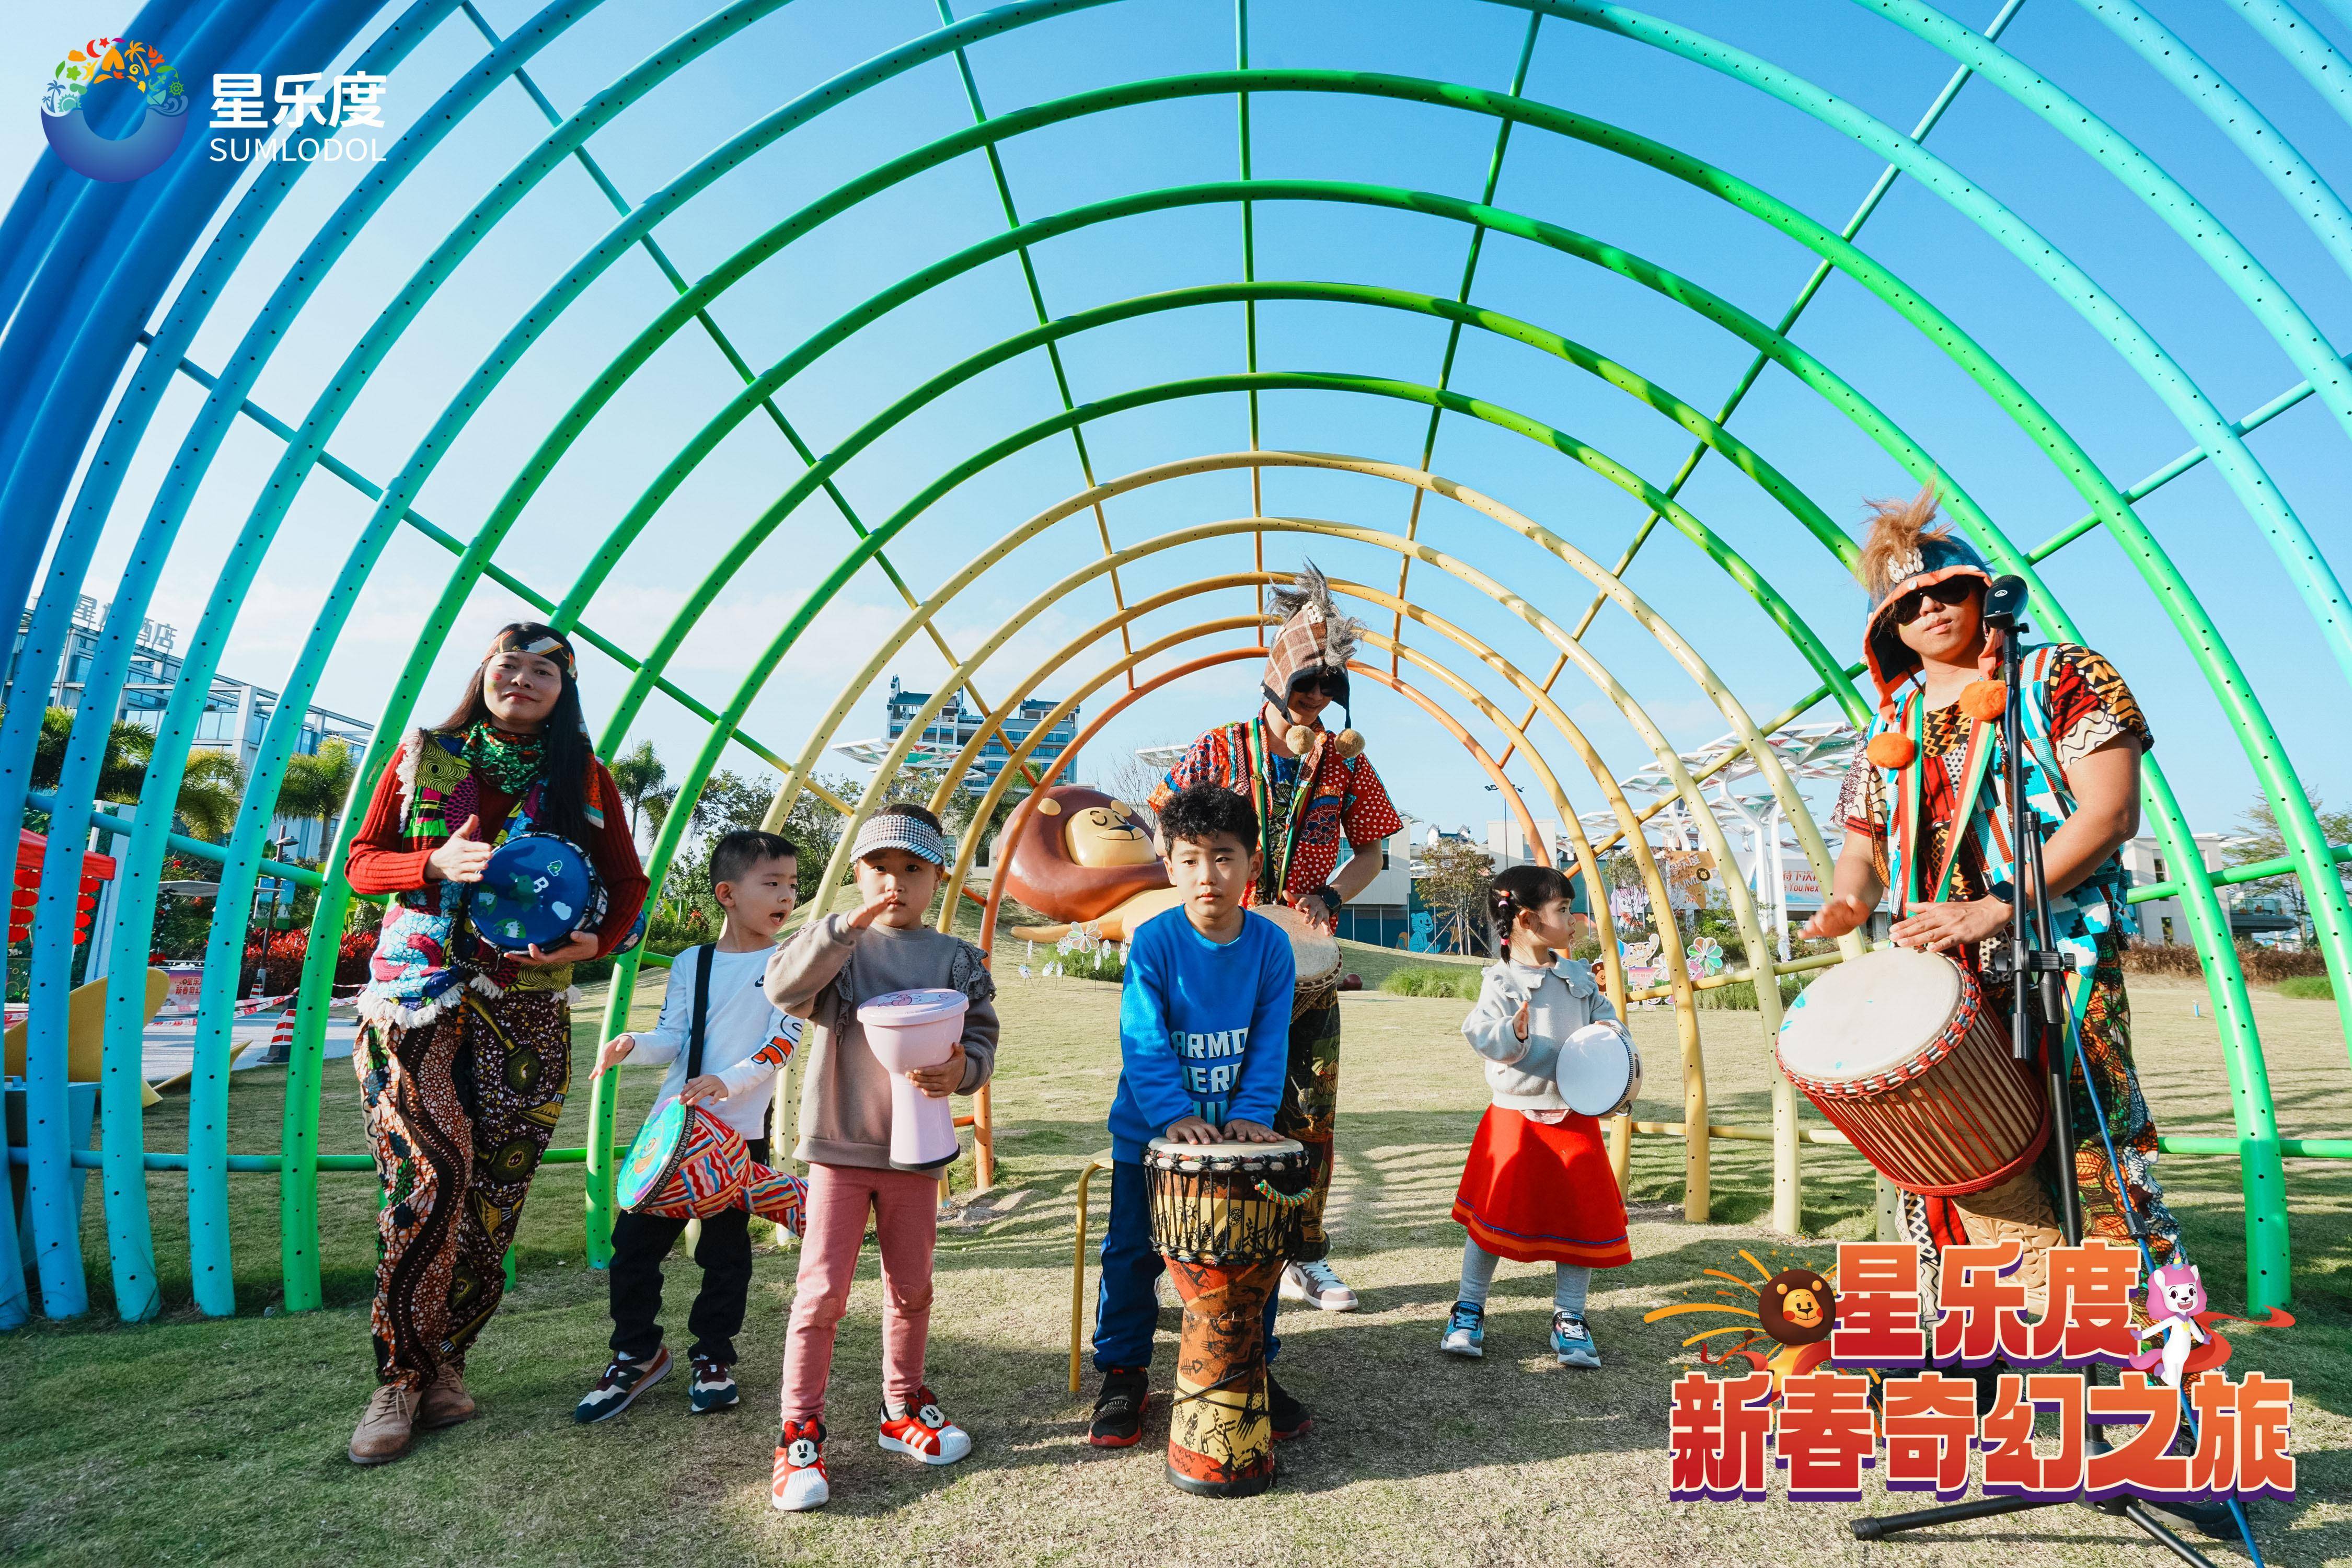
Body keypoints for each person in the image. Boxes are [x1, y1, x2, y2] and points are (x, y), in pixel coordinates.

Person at [1801, 486, 2184, 1284]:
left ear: (1983, 595)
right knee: (1951, 1167)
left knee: (2090, 1149)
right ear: (1889, 631)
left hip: (2057, 957)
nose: (1934, 608)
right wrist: (1849, 901)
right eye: (1912, 605)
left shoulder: (2060, 675)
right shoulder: (1886, 724)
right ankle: (1972, 1349)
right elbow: (1862, 843)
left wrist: (1996, 907)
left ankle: (2147, 1358)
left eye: (1950, 590)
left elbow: (2111, 813)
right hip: (1937, 972)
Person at [342, 623, 649, 1466]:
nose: (524, 677)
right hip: (415, 992)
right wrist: (431, 864)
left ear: (566, 688)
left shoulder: (583, 778)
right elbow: (362, 864)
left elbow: (627, 885)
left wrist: (595, 945)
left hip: (529, 1001)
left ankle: (448, 1366)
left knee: (496, 1191)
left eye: (545, 669)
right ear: (484, 672)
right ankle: (398, 1378)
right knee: (430, 1172)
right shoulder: (429, 754)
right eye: (510, 663)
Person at [1148, 561, 1403, 1313]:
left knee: (1309, 1115)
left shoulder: (1346, 764)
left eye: (1331, 689)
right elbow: (1166, 827)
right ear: (1275, 681)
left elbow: (1374, 853)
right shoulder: (1219, 748)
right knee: (1207, 1101)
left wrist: (1328, 895)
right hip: (1219, 962)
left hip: (1308, 972)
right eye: (1307, 687)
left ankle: (1305, 1254)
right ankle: (1195, 1244)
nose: (1319, 702)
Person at [762, 803, 1000, 1513]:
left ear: (937, 877)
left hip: (917, 1154)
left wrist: (961, 1073)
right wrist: (840, 929)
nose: (894, 881)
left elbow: (983, 1039)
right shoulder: (836, 945)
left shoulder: (957, 959)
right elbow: (783, 989)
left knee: (912, 1287)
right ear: (857, 875)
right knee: (822, 1292)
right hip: (840, 1145)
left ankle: (902, 1408)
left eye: (911, 869)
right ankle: (799, 1431)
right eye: (879, 868)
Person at [1088, 785, 1301, 1448]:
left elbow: (1271, 1042)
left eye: (1224, 856)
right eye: (1191, 859)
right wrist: (1173, 1114)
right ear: (1170, 864)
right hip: (1147, 1143)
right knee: (1131, 1256)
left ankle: (1249, 1367)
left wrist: (1251, 1113)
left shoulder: (1271, 946)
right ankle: (1123, 1373)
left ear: (1251, 863)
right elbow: (1143, 1038)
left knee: (1253, 1257)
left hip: (1240, 1145)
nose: (1208, 875)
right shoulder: (1152, 942)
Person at [574, 829, 804, 1424]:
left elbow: (783, 1043)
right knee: (632, 1250)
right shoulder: (691, 963)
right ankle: (637, 1354)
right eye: (772, 883)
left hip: (738, 1136)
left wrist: (728, 1083)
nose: (787, 896)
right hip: (672, 1135)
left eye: (793, 885)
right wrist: (633, 1043)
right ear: (728, 894)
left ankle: (714, 1358)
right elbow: (674, 1036)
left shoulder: (789, 963)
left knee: (726, 1255)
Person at [1445, 864, 1633, 1367]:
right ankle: (1468, 1309)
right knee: (1490, 1221)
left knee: (1578, 1221)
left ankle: (1569, 1317)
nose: (1573, 919)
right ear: (1528, 920)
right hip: (1515, 1119)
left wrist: (1617, 1057)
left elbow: (1610, 1028)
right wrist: (1515, 1034)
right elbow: (1480, 1033)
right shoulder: (1500, 982)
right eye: (1563, 910)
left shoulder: (1577, 977)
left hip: (1575, 1121)